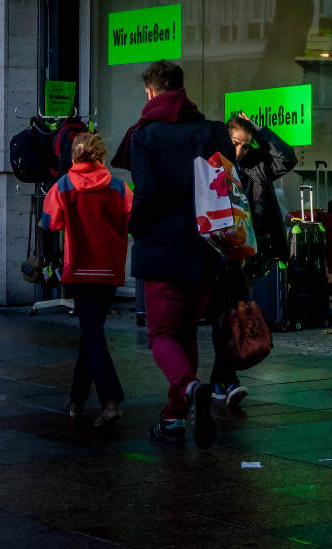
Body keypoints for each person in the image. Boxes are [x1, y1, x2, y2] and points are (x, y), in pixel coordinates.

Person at [114, 60, 235, 447]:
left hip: (162, 248)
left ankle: (188, 388)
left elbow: (147, 192)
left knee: (162, 334)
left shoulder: (144, 135)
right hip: (205, 247)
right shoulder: (212, 131)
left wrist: (135, 228)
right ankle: (173, 417)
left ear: (150, 92)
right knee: (186, 333)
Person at [42, 131, 131, 428]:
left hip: (79, 270)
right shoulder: (119, 187)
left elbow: (50, 223)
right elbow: (133, 219)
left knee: (91, 332)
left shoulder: (63, 186)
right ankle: (76, 399)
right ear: (101, 154)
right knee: (91, 332)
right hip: (110, 270)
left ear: (72, 155)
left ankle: (110, 400)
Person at [207, 112, 295, 409]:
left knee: (231, 314)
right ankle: (224, 381)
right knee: (225, 314)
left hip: (245, 252)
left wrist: (259, 131)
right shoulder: (213, 164)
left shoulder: (255, 164)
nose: (239, 151)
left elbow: (287, 158)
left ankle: (223, 381)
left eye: (245, 145)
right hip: (218, 250)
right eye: (235, 143)